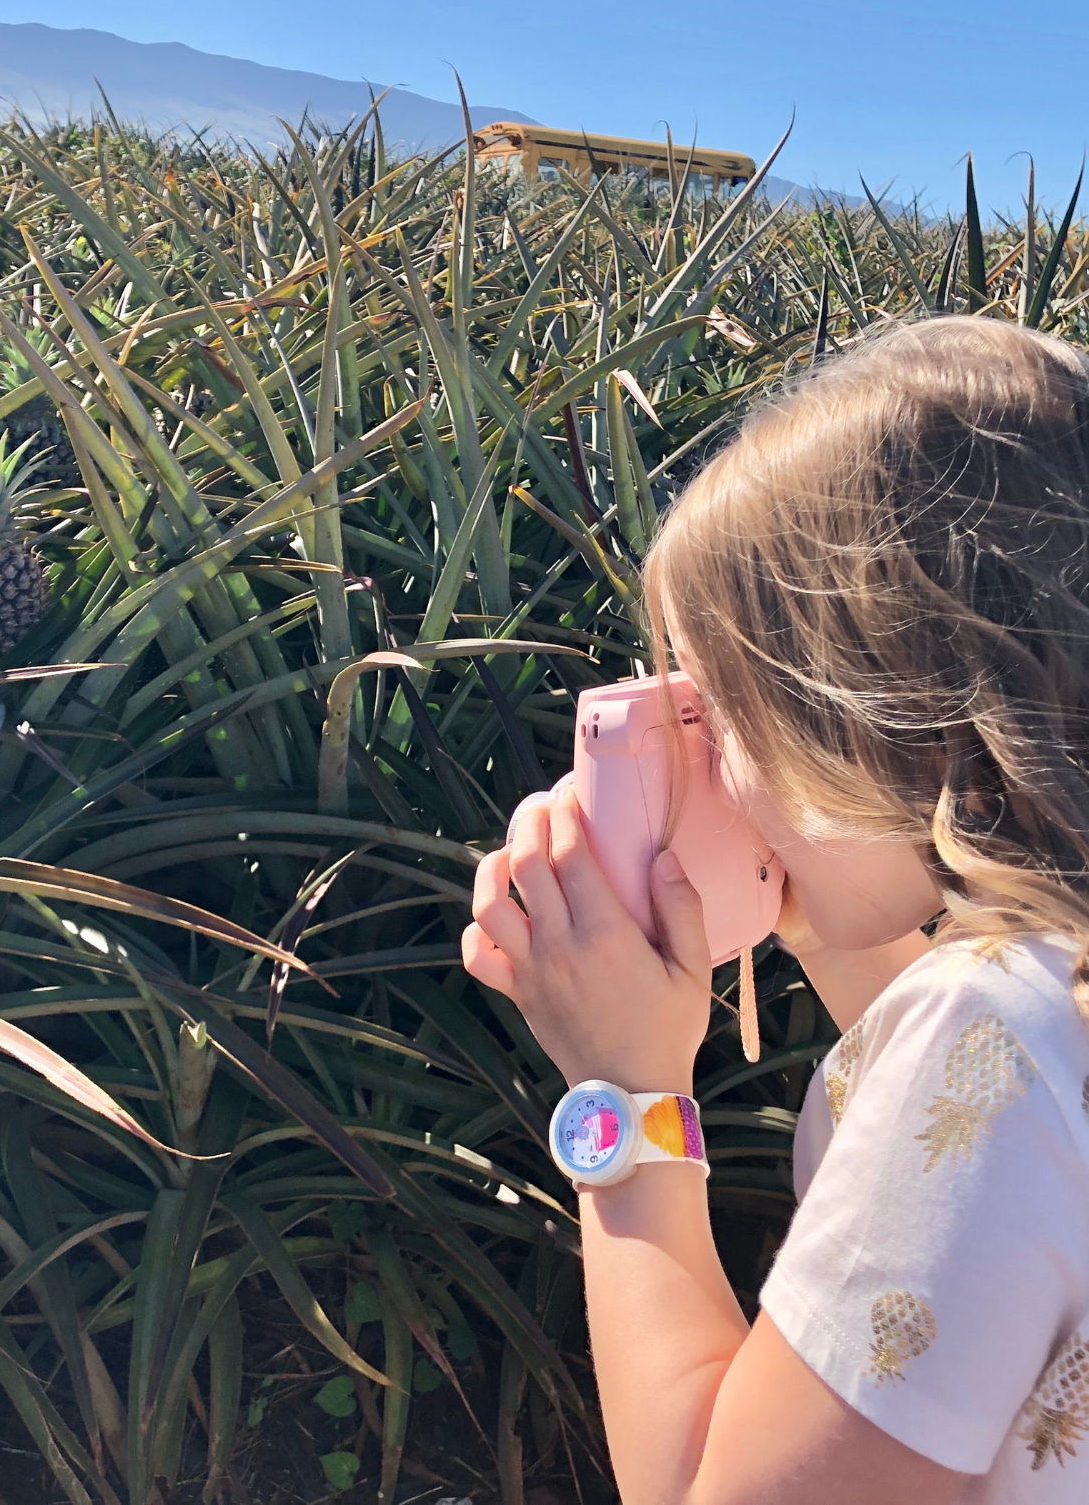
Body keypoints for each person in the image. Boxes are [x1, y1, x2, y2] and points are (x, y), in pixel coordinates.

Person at [462, 317, 1089, 1504]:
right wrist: (806, 901)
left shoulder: (995, 1032)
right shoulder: (1036, 999)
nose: (721, 771)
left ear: (876, 713)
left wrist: (627, 1094)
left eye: (729, 719)